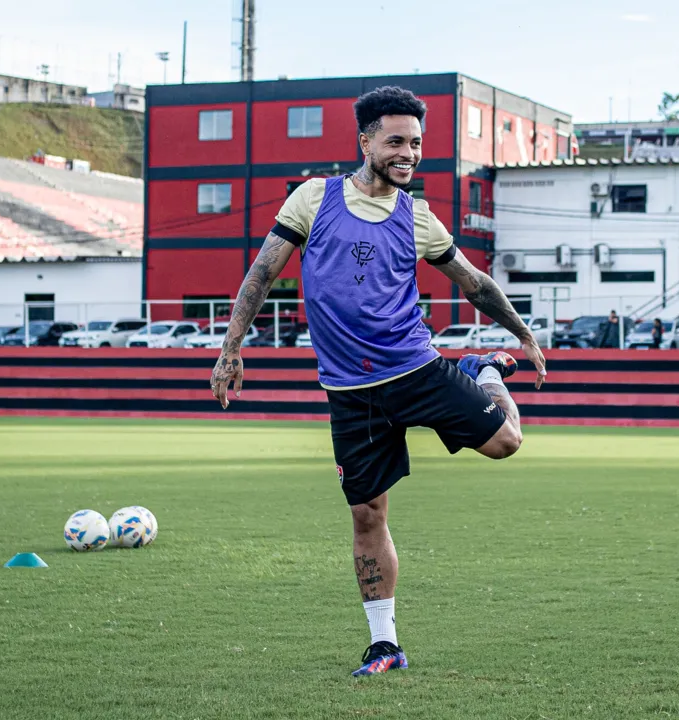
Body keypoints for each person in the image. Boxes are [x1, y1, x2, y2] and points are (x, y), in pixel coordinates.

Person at [209, 86, 547, 676]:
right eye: (395, 141)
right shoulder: (314, 199)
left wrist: (523, 336)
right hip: (350, 391)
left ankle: (484, 372)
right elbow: (262, 273)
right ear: (363, 140)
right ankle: (384, 643)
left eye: (416, 143)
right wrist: (231, 347)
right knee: (368, 514)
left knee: (507, 444)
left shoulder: (416, 216)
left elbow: (474, 283)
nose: (408, 153)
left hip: (417, 370)